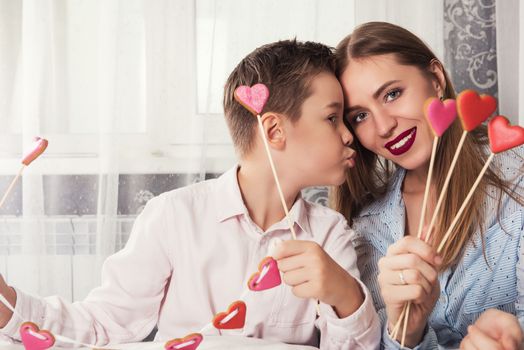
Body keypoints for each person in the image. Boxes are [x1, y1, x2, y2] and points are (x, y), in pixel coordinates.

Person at [0, 39, 380, 349]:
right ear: (275, 131)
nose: (349, 135)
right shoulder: (173, 216)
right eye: (332, 118)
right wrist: (10, 308)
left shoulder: (330, 236)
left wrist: (345, 295)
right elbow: (105, 323)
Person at [332, 21, 524, 349]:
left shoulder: (516, 178)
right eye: (360, 116)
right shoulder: (368, 227)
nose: (384, 126)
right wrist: (407, 332)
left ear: (435, 80)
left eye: (392, 94)